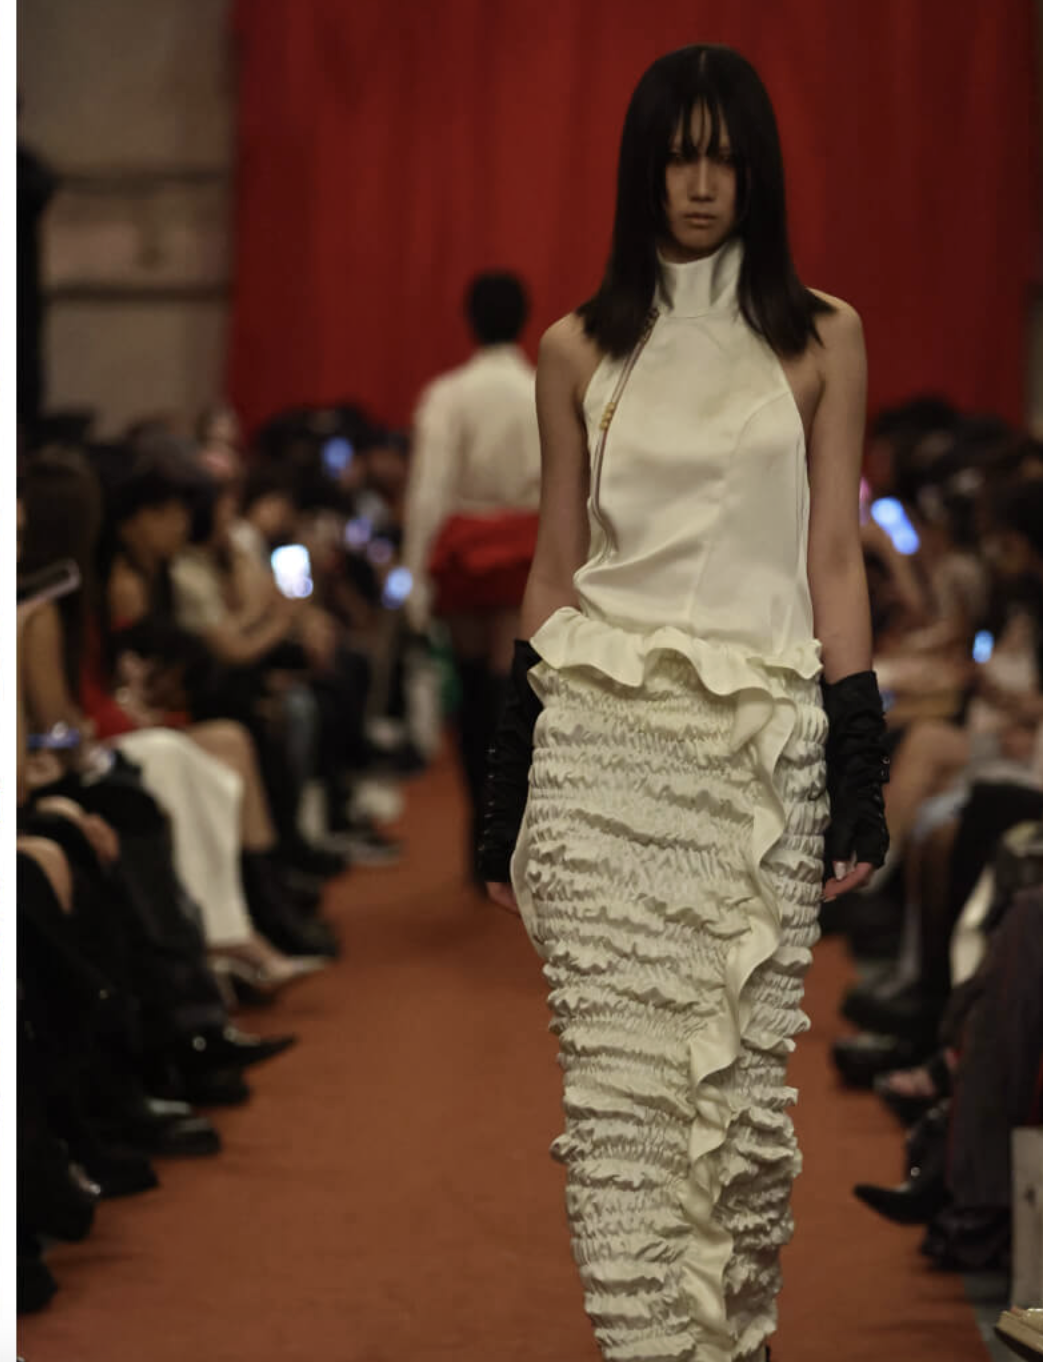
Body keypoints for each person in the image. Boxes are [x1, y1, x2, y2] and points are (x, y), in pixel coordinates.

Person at [475, 45, 889, 1362]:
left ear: (756, 167)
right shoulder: (575, 347)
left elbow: (834, 554)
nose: (701, 182)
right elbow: (553, 569)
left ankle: (738, 1338)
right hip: (603, 750)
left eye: (723, 154)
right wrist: (507, 783)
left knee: (745, 1107)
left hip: (764, 755)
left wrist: (861, 752)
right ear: (641, 167)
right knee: (621, 1103)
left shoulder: (825, 333)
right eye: (678, 152)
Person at [404, 270, 540, 877]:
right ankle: (509, 829)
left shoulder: (448, 394)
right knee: (511, 690)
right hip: (520, 545)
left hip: (463, 546)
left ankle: (478, 825)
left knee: (470, 692)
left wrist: (416, 577)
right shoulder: (538, 387)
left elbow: (428, 491)